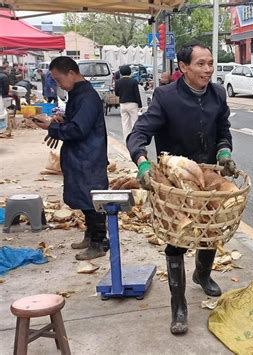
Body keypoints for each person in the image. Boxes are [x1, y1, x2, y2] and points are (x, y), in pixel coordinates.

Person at [127, 40, 236, 335]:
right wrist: (143, 163)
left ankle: (203, 274)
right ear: (183, 67)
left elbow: (223, 130)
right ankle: (179, 305)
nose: (208, 69)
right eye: (200, 64)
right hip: (175, 182)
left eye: (210, 63)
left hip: (208, 176)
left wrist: (224, 151)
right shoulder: (165, 96)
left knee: (212, 229)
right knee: (177, 238)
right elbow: (139, 134)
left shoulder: (217, 94)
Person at [32, 56, 109, 261]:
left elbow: (79, 129)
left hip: (89, 157)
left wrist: (52, 126)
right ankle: (90, 235)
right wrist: (61, 120)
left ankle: (99, 242)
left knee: (94, 202)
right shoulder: (76, 94)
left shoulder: (88, 97)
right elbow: (75, 122)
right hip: (80, 156)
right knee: (84, 200)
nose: (58, 84)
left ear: (72, 74)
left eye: (59, 80)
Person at [114, 65, 142, 142]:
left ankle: (127, 140)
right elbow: (137, 94)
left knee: (125, 123)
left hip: (123, 104)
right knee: (134, 122)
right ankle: (135, 140)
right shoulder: (133, 81)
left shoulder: (118, 82)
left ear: (121, 73)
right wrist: (140, 105)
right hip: (133, 104)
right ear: (130, 72)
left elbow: (116, 93)